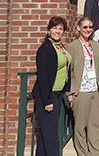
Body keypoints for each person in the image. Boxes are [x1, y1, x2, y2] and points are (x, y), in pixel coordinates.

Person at [32, 16, 72, 156]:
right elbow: (43, 77)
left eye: (61, 29)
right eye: (55, 28)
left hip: (57, 94)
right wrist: (48, 101)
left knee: (46, 134)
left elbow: (66, 71)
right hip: (46, 96)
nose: (58, 31)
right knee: (52, 135)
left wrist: (68, 92)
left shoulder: (60, 47)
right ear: (49, 30)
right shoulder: (45, 49)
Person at [66, 17, 99, 156]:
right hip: (80, 91)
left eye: (90, 27)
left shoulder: (95, 45)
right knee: (80, 126)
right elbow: (68, 72)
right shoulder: (71, 47)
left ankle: (96, 153)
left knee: (94, 126)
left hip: (95, 90)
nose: (88, 30)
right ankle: (83, 153)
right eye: (85, 27)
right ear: (78, 28)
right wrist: (69, 93)